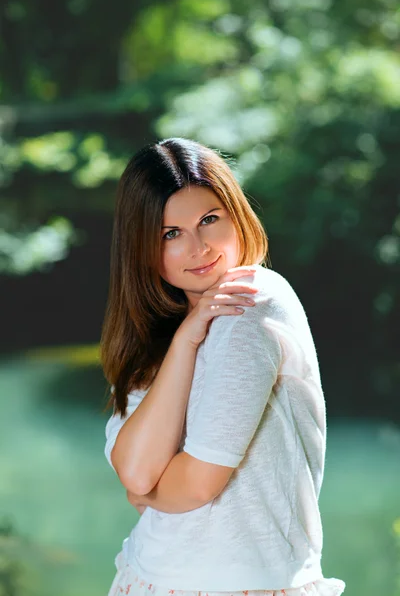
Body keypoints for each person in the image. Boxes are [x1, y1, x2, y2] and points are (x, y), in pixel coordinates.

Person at [101, 137, 346, 596]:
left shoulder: (251, 302)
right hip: (146, 576)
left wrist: (149, 494)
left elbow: (193, 484)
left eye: (209, 220)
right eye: (169, 234)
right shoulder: (161, 336)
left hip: (251, 586)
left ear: (236, 213)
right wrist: (186, 341)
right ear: (142, 249)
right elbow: (136, 470)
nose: (198, 247)